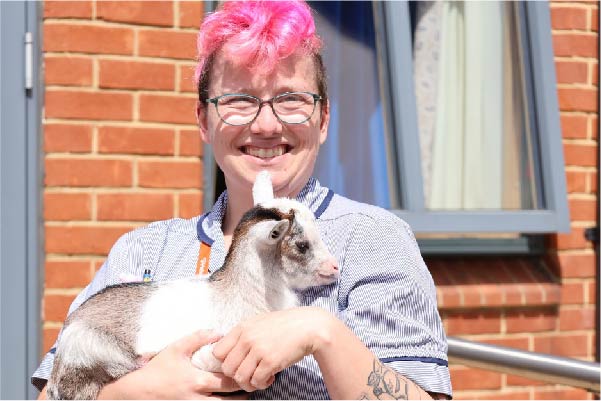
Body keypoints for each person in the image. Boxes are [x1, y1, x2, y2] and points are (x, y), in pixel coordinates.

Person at [33, 1, 452, 399]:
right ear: (203, 120)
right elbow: (51, 393)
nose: (266, 124)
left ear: (323, 119)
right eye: (238, 100)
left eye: (291, 99)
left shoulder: (373, 240)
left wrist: (321, 333)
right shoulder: (143, 251)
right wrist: (137, 393)